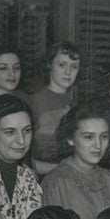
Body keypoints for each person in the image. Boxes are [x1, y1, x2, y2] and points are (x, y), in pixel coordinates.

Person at [41, 104, 110, 219]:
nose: (98, 145)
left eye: (104, 137)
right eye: (89, 137)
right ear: (70, 139)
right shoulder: (56, 183)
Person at [29, 41, 80, 176]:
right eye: (61, 65)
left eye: (74, 66)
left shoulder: (77, 103)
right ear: (49, 65)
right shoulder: (36, 102)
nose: (68, 72)